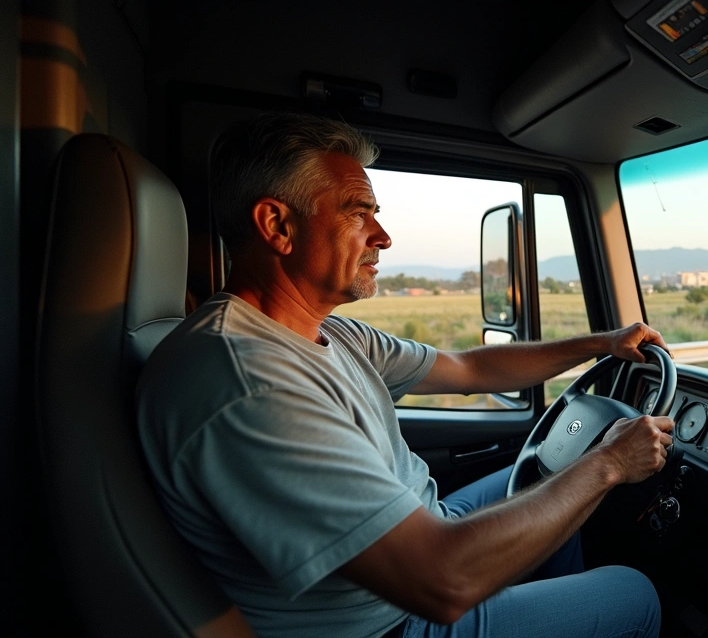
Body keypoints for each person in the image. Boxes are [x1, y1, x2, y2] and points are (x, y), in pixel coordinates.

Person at [137, 112, 674, 638]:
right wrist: (610, 462)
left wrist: (601, 344)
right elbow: (441, 580)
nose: (384, 236)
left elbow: (470, 367)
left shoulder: (328, 333)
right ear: (278, 225)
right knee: (634, 593)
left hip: (425, 531)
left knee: (552, 473)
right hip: (391, 620)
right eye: (358, 213)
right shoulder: (249, 383)